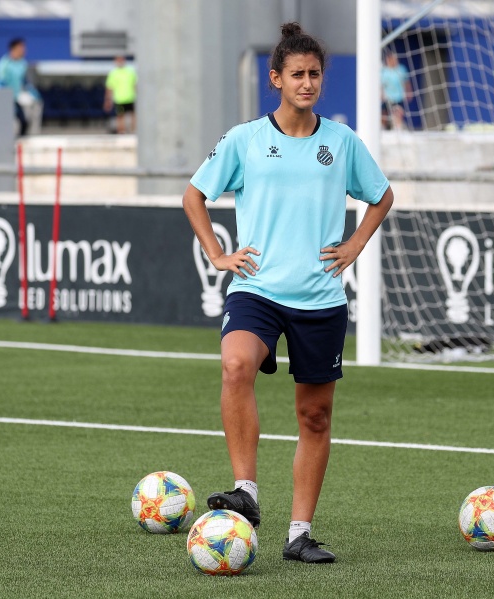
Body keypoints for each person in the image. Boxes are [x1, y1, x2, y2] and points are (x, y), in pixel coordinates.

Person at [182, 22, 394, 564]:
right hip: (257, 289)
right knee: (235, 366)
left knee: (315, 417)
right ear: (275, 79)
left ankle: (299, 535)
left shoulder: (342, 142)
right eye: (296, 74)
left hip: (320, 298)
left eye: (315, 74)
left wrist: (354, 246)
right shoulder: (245, 140)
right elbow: (194, 196)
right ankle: (246, 492)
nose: (307, 83)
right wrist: (217, 254)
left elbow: (382, 196)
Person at [0, 38, 40, 137]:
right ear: (13, 49)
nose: (23, 50)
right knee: (7, 124)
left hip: (16, 99)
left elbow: (25, 82)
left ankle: (21, 144)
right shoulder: (3, 64)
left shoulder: (23, 64)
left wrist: (33, 94)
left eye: (23, 47)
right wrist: (0, 97)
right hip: (5, 100)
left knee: (23, 121)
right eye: (21, 48)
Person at [104, 56, 137, 134]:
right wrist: (108, 100)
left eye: (121, 60)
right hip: (119, 99)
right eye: (118, 60)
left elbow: (135, 85)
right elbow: (109, 87)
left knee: (133, 115)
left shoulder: (130, 72)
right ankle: (121, 132)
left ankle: (133, 131)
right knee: (120, 116)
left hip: (130, 98)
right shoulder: (113, 73)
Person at [381, 51, 412, 130]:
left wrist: (409, 92)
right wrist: (381, 94)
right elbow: (381, 85)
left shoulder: (401, 69)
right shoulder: (384, 71)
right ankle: (384, 128)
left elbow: (406, 82)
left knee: (398, 114)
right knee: (384, 114)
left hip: (398, 97)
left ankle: (398, 129)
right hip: (387, 97)